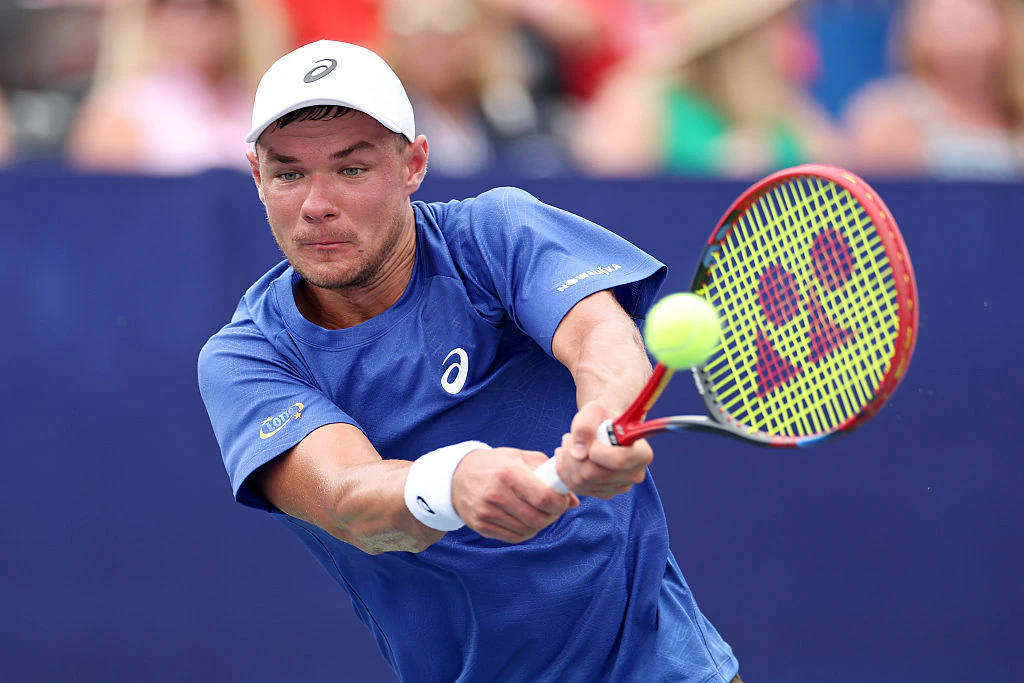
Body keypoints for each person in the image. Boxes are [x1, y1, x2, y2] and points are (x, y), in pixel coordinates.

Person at [198, 40, 741, 682]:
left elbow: (600, 336)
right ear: (258, 178)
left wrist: (606, 414)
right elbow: (348, 500)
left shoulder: (495, 235)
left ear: (414, 165)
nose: (317, 203)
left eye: (351, 169)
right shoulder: (248, 355)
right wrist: (454, 482)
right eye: (289, 174)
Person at [572, 0, 846, 177]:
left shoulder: (797, 114)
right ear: (741, 37)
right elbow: (602, 217)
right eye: (785, 24)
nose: (800, 39)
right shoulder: (640, 104)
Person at [67, 0, 289, 174]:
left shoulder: (268, 104)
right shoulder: (121, 111)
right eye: (169, 2)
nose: (194, 14)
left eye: (213, 3)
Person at [842, 0, 1024, 179]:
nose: (962, 38)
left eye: (974, 24)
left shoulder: (1016, 116)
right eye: (951, 22)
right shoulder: (889, 117)